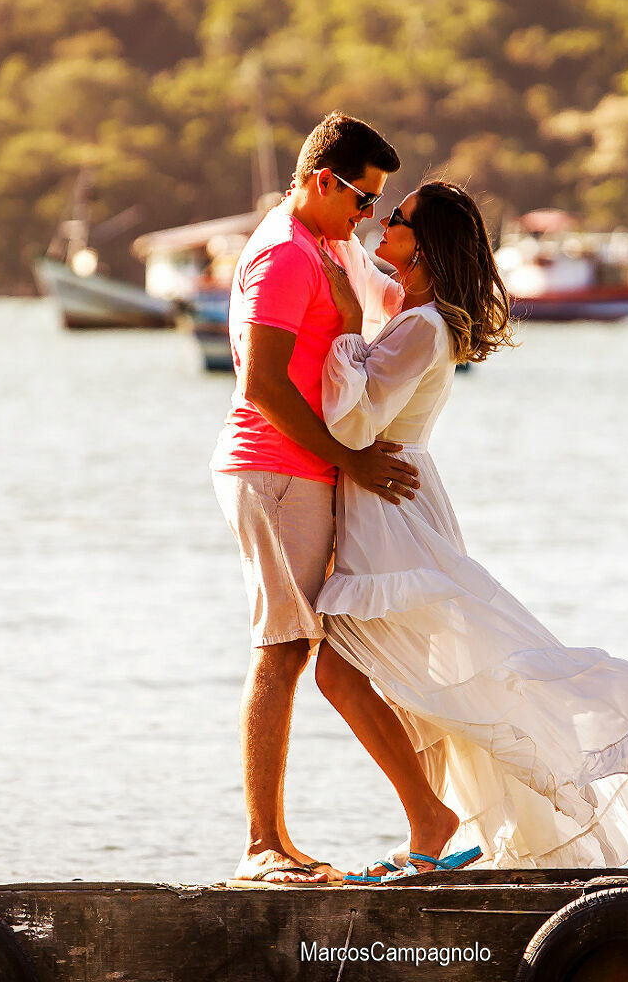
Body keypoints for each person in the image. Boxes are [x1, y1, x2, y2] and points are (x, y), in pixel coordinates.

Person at [311, 182, 628, 878]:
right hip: (391, 502)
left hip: (388, 511)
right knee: (409, 680)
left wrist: (344, 326)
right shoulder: (415, 317)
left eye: (398, 219)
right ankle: (429, 823)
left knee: (363, 674)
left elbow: (354, 421)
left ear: (425, 242)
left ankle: (430, 819)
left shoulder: (421, 326)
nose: (383, 223)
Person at [211, 112, 419, 885]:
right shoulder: (284, 255)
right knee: (281, 648)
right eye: (362, 200)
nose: (367, 217)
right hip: (273, 470)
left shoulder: (318, 242)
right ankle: (261, 844)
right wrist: (350, 461)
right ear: (323, 181)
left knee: (309, 649)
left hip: (303, 470)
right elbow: (260, 386)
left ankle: (291, 839)